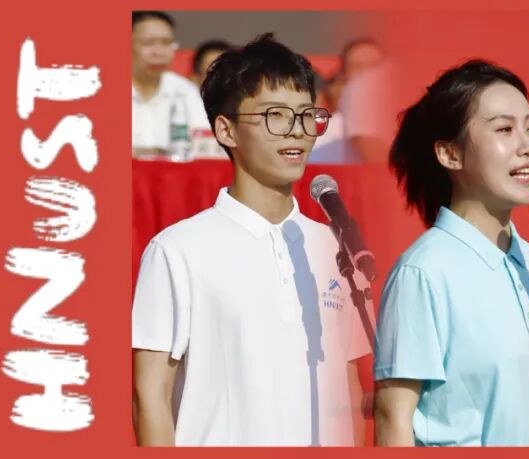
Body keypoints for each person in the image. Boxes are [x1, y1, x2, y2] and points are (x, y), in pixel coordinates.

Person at [132, 33, 369, 447]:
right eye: (276, 115)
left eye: (306, 115)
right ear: (226, 130)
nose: (297, 132)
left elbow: (347, 389)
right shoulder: (177, 250)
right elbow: (149, 397)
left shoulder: (335, 248)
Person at [372, 59, 529, 446]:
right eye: (505, 129)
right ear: (450, 154)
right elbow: (393, 419)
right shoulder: (424, 272)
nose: (527, 147)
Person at [131, 11, 210, 157]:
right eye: (149, 43)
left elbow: (203, 144)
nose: (159, 52)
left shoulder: (185, 90)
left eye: (166, 43)